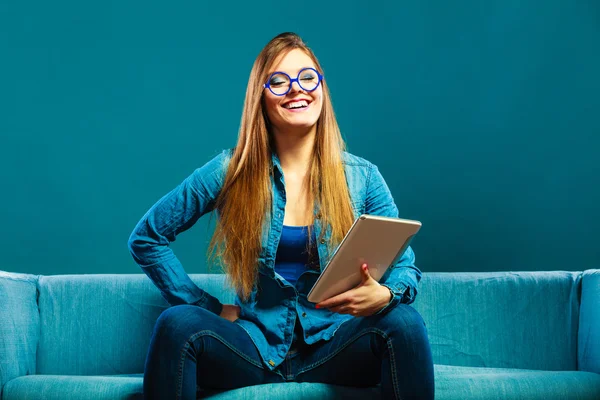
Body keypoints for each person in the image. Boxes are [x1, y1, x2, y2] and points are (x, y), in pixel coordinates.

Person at [127, 32, 434, 400]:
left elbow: (405, 268)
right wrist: (205, 307)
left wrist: (384, 295)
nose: (296, 89)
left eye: (307, 77)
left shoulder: (363, 177)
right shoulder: (230, 171)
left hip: (335, 346)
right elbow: (147, 237)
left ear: (321, 87)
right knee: (175, 324)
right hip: (252, 347)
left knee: (404, 323)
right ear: (261, 96)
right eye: (278, 81)